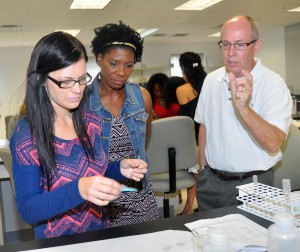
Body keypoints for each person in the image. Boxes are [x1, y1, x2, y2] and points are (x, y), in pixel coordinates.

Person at [10, 31, 147, 240]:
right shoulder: (27, 134)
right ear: (41, 79)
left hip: (100, 235)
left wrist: (118, 168)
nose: (77, 90)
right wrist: (79, 189)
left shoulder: (90, 121)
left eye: (82, 79)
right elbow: (28, 208)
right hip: (58, 243)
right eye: (66, 81)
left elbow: (95, 175)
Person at [195, 15, 292, 211]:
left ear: (255, 47)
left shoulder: (273, 85)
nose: (230, 53)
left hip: (254, 186)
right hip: (211, 183)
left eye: (239, 45)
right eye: (225, 44)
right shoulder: (211, 80)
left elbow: (273, 143)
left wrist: (244, 109)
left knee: (252, 241)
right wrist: (202, 169)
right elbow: (204, 124)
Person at [87, 21, 159, 227]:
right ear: (99, 59)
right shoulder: (82, 101)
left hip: (139, 197)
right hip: (100, 200)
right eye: (114, 63)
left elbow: (143, 143)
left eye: (129, 65)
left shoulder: (142, 97)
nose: (122, 72)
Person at [176, 52, 207, 215]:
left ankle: (189, 207)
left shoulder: (182, 90)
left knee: (193, 174)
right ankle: (199, 205)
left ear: (183, 69)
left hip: (193, 138)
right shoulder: (209, 83)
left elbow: (185, 118)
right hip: (210, 137)